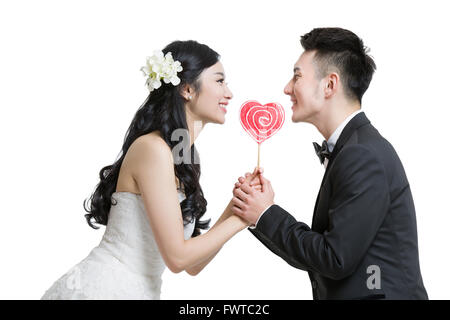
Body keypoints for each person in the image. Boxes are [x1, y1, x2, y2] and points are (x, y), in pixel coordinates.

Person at [41, 40, 259, 299]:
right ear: (187, 89)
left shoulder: (185, 155)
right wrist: (245, 217)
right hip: (104, 289)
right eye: (220, 81)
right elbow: (177, 258)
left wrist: (238, 207)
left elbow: (192, 264)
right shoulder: (152, 149)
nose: (229, 93)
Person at [232, 28, 428, 300]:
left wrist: (265, 213)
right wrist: (261, 213)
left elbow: (335, 258)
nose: (287, 88)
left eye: (297, 76)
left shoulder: (362, 155)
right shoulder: (355, 147)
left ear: (330, 85)